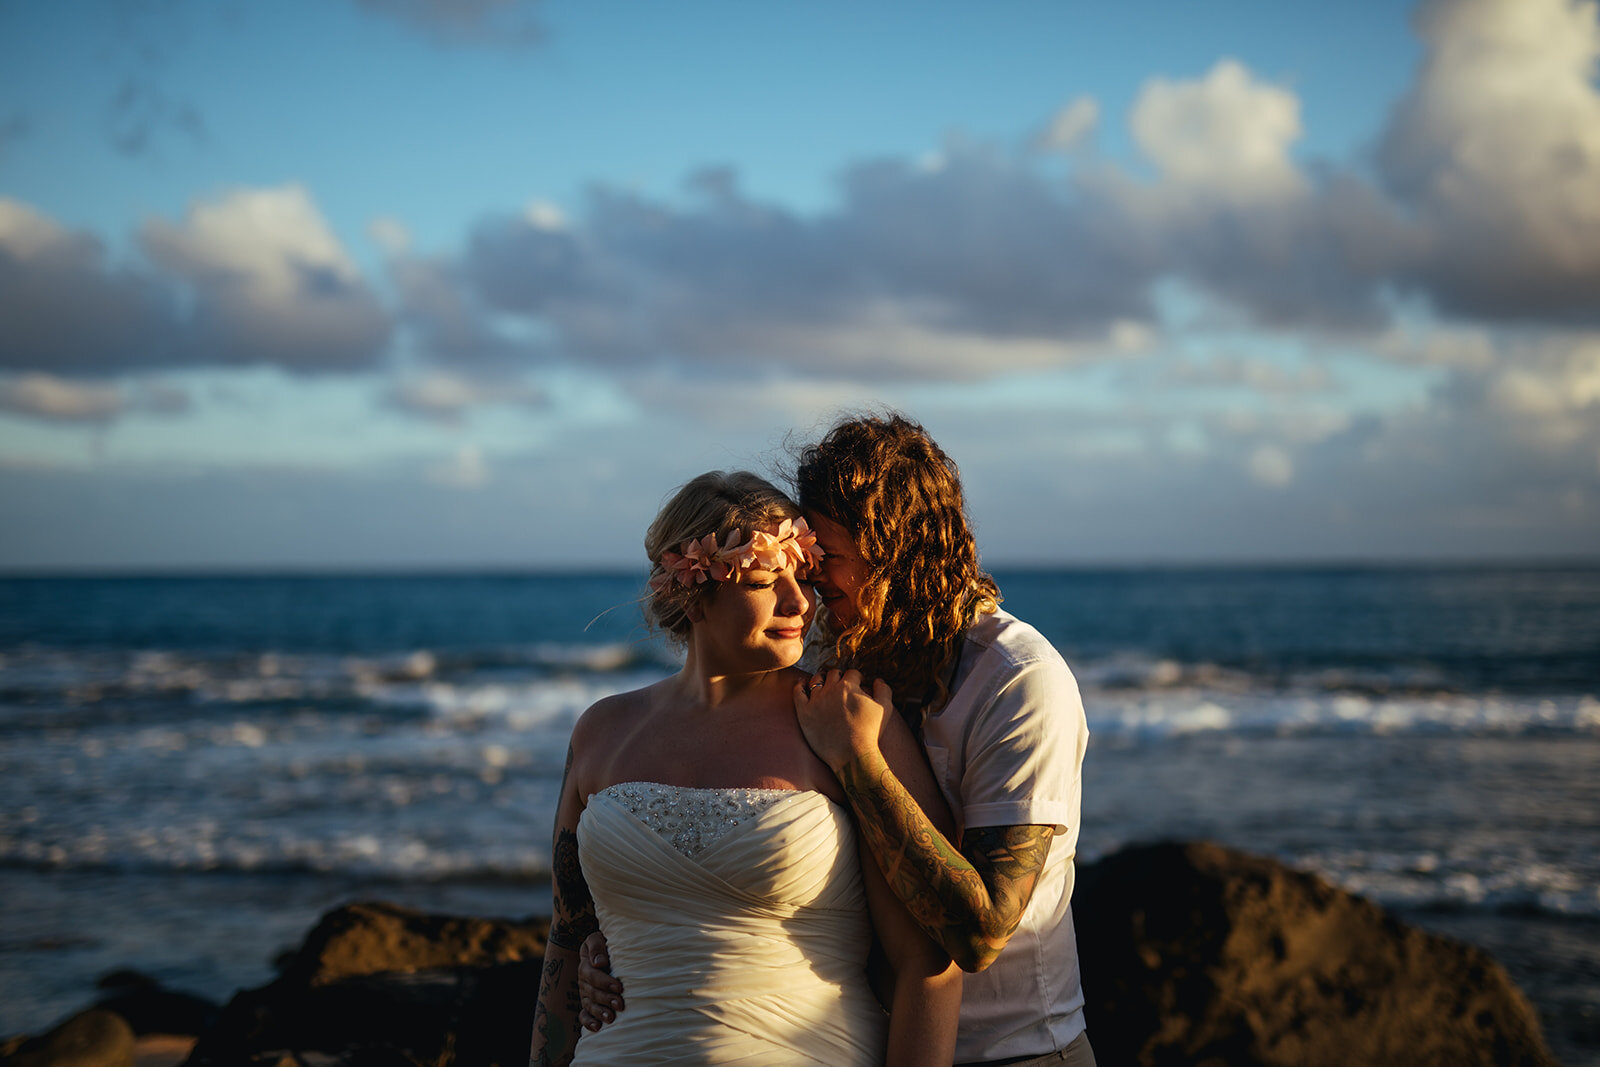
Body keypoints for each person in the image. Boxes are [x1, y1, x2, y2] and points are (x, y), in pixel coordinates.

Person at [581, 416, 1095, 1067]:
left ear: (895, 551)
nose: (813, 583)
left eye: (831, 558)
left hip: (1015, 1049)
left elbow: (980, 929)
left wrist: (861, 760)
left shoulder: (1018, 682)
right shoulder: (843, 653)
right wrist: (622, 943)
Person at [531, 471, 961, 1067]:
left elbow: (929, 963)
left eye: (804, 577)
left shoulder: (850, 722)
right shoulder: (602, 730)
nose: (799, 603)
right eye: (765, 580)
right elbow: (565, 939)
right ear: (688, 589)